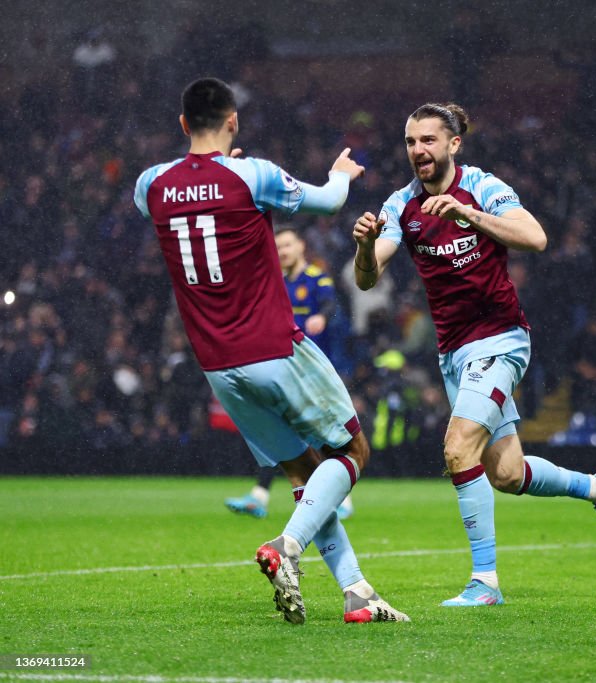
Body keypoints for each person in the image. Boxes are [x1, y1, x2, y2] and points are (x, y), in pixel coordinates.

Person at [134, 78, 406, 624]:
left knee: (305, 475)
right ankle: (285, 548)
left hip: (218, 366)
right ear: (232, 121)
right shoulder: (251, 174)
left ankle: (356, 594)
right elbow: (328, 202)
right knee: (352, 454)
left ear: (183, 125)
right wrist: (341, 174)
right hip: (275, 346)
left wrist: (220, 179)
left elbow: (195, 205)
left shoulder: (150, 185)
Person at [351, 102, 596, 607]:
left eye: (428, 140)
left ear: (454, 144)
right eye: (411, 141)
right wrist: (366, 247)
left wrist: (469, 215)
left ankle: (485, 583)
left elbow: (537, 238)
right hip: (454, 352)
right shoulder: (401, 204)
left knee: (458, 447)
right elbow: (367, 278)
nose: (418, 151)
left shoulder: (482, 186)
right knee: (506, 473)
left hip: (501, 338)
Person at [225, 228, 354, 521]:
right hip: (282, 366)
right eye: (278, 246)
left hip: (313, 370)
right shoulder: (274, 282)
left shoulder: (316, 277)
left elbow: (331, 304)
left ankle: (342, 496)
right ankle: (259, 496)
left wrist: (322, 315)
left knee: (322, 433)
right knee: (278, 430)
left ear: (301, 246)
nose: (282, 250)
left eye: (287, 244)